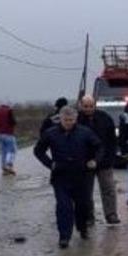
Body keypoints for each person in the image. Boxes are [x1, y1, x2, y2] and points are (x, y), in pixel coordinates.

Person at [34, 106, 103, 248]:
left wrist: (95, 161)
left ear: (76, 119)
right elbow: (38, 150)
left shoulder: (85, 132)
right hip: (60, 176)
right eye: (66, 120)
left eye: (71, 120)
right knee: (63, 207)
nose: (68, 123)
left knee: (82, 205)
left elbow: (99, 147)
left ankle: (82, 228)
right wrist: (50, 164)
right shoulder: (51, 133)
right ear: (61, 119)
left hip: (81, 175)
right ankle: (64, 236)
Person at [77, 95, 120, 225]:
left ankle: (111, 214)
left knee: (108, 189)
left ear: (95, 105)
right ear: (81, 105)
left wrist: (111, 157)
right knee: (85, 191)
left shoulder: (105, 118)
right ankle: (89, 217)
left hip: (105, 161)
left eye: (91, 106)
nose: (88, 109)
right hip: (85, 162)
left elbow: (112, 140)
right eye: (85, 106)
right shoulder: (77, 120)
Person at [0, 103, 17, 175]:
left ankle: (4, 167)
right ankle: (9, 166)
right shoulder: (9, 110)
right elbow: (13, 121)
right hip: (8, 133)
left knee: (3, 152)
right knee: (12, 150)